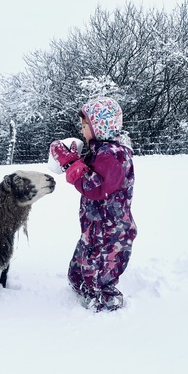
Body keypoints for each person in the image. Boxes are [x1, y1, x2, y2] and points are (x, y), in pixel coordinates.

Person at [49, 97, 137, 312]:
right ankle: (81, 284)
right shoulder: (101, 151)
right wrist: (73, 157)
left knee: (101, 270)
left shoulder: (113, 155)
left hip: (110, 230)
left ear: (100, 125)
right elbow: (90, 172)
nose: (82, 130)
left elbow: (96, 188)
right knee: (83, 263)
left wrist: (71, 164)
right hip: (96, 225)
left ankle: (107, 303)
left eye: (85, 125)